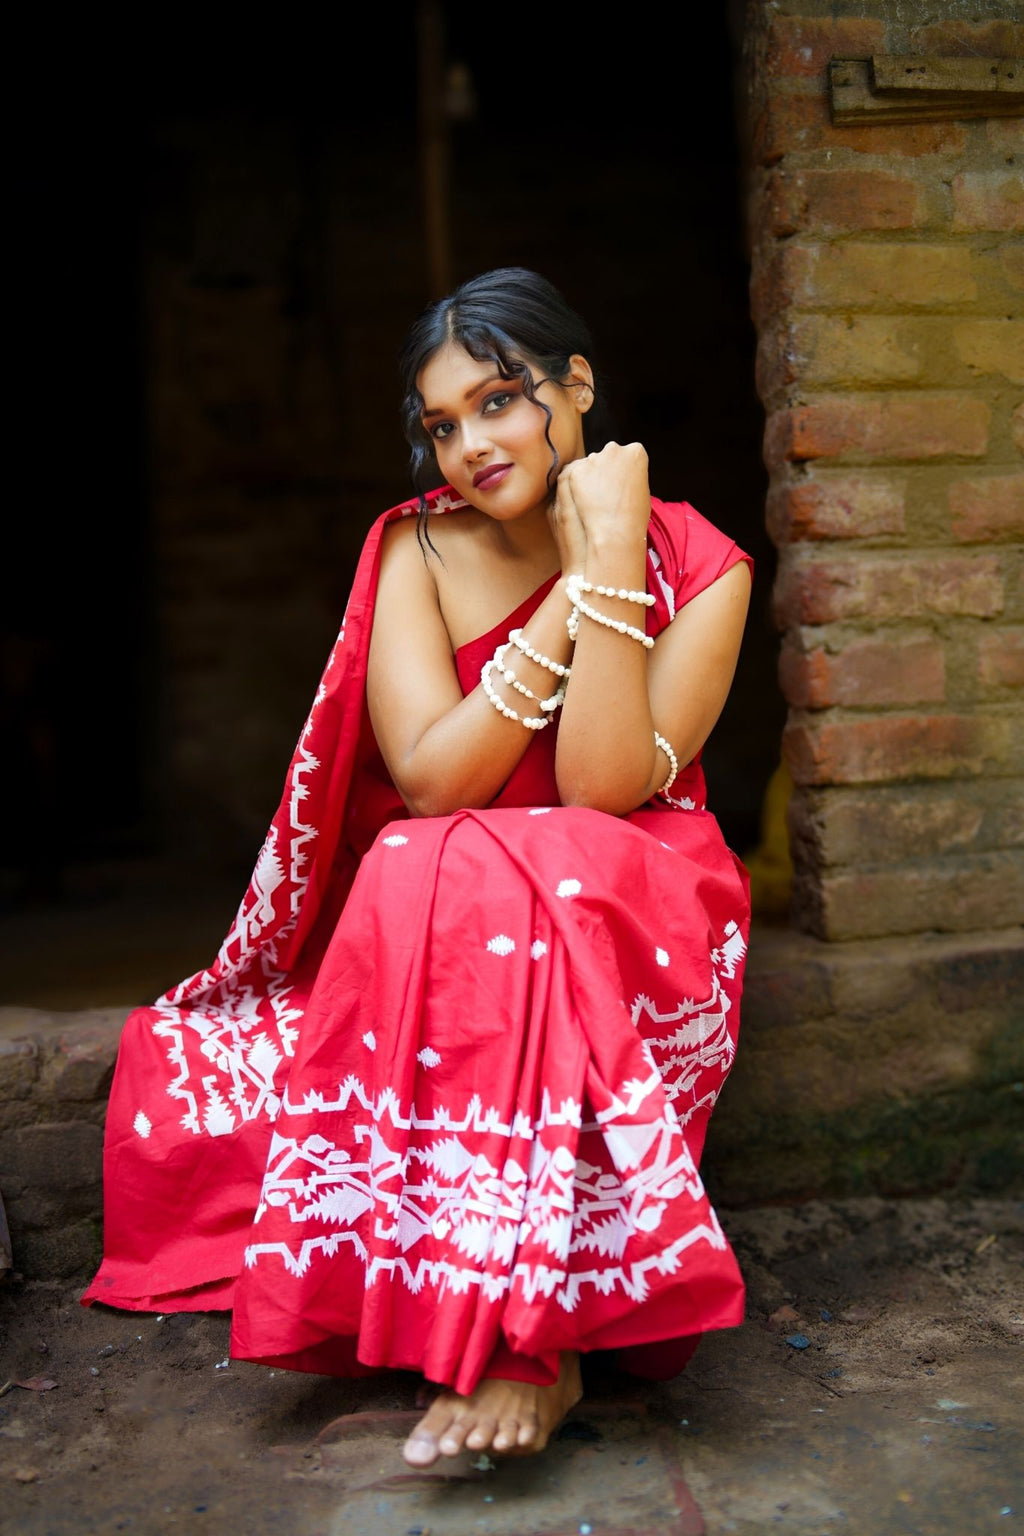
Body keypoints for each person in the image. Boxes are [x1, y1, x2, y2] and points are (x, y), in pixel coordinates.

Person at [85, 268, 753, 1469]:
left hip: (635, 897)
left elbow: (601, 787)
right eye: (442, 424)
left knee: (504, 859)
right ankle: (524, 1325)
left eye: (499, 400)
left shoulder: (704, 562)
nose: (471, 445)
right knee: (423, 854)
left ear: (577, 385)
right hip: (451, 908)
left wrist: (613, 555)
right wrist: (575, 583)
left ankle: (526, 1344)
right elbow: (436, 780)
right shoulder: (417, 549)